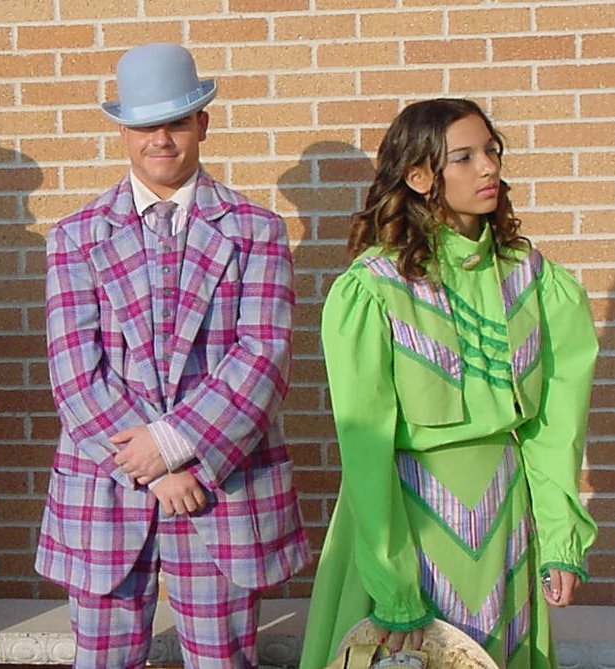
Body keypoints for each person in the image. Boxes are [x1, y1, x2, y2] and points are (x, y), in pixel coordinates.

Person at [34, 42, 309, 668]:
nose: (160, 139)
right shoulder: (76, 236)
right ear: (122, 132)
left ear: (202, 124)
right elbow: (74, 371)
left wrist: (175, 444)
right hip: (108, 487)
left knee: (221, 660)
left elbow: (263, 357)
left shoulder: (256, 231)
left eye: (176, 122)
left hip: (218, 485)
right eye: (145, 125)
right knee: (102, 659)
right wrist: (152, 468)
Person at [299, 98, 597, 669]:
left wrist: (560, 541)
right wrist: (393, 584)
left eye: (491, 150)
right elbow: (364, 444)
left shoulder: (535, 280)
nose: (488, 167)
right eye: (463, 157)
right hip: (404, 518)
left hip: (508, 515)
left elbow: (555, 427)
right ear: (418, 177)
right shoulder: (373, 288)